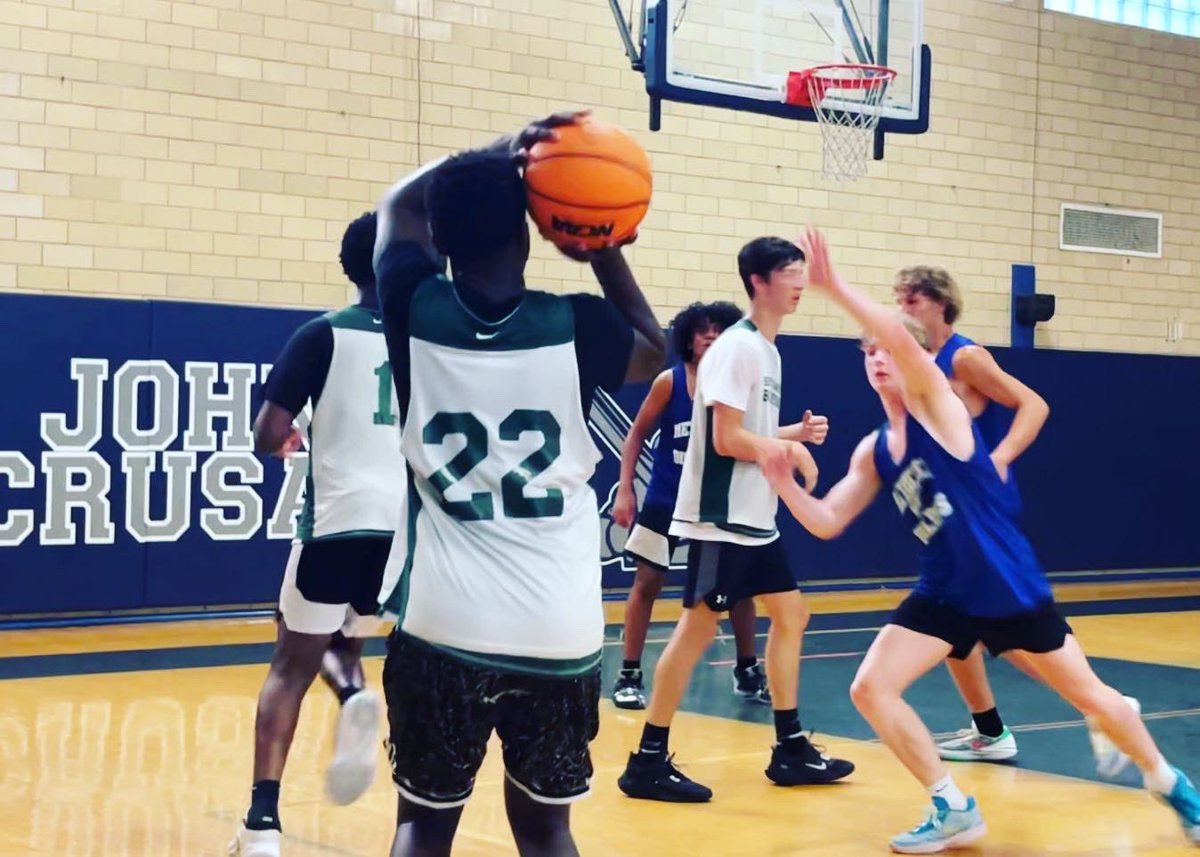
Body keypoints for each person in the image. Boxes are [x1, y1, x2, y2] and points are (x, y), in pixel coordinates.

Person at [763, 226, 1200, 853]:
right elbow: (828, 522)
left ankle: (1168, 781)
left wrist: (833, 286)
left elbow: (902, 342)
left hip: (1006, 586)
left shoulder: (941, 413)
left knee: (1096, 699)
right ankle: (953, 806)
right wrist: (783, 483)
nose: (877, 357)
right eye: (866, 353)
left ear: (915, 361)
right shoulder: (874, 449)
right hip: (946, 592)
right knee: (870, 687)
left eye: (887, 348)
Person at [372, 111, 666, 857]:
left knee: (423, 824)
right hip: (557, 628)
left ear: (439, 242)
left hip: (443, 623)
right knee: (545, 829)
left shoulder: (412, 305)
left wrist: (501, 150)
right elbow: (657, 349)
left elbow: (394, 210)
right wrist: (600, 243)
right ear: (530, 231)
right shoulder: (581, 327)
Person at [616, 236, 854, 803]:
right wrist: (787, 452)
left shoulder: (768, 352)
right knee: (698, 628)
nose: (800, 281)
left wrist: (787, 439)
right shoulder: (738, 349)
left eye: (801, 271)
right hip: (721, 520)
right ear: (757, 282)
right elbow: (724, 440)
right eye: (789, 272)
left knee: (792, 616)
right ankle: (647, 759)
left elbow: (744, 431)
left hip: (755, 518)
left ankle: (790, 747)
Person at [896, 269, 1140, 773]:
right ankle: (995, 729)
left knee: (993, 624)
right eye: (898, 298)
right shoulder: (916, 361)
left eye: (912, 298)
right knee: (958, 628)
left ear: (941, 303)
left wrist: (1001, 457)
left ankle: (1102, 705)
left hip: (980, 505)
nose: (902, 306)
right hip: (951, 504)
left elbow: (1033, 403)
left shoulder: (964, 357)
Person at [232, 212, 403, 857]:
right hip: (400, 537)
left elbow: (267, 436)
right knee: (348, 642)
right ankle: (356, 693)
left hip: (335, 520)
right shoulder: (428, 343)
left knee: (288, 664)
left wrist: (293, 437)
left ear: (351, 266)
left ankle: (262, 823)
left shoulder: (323, 335)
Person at [612, 300, 827, 709]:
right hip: (667, 499)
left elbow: (749, 433)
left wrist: (797, 432)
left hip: (717, 504)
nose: (711, 335)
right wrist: (626, 489)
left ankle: (746, 670)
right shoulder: (670, 382)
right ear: (687, 338)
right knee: (648, 584)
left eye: (719, 328)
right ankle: (629, 672)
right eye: (702, 329)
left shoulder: (738, 376)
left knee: (739, 589)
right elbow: (636, 433)